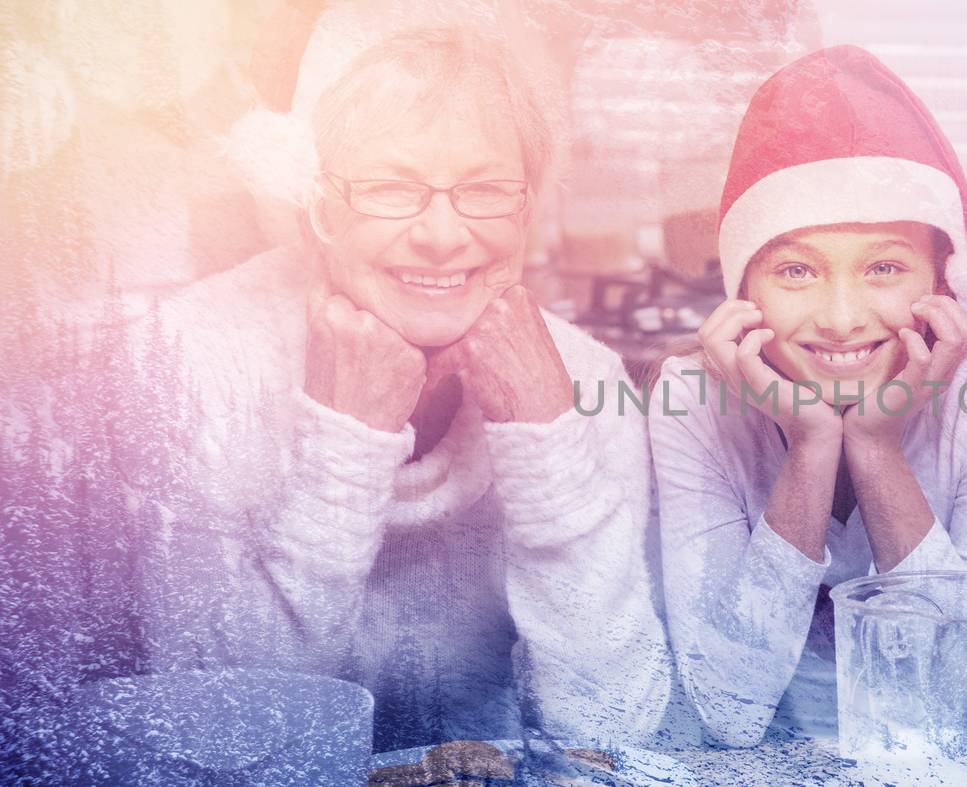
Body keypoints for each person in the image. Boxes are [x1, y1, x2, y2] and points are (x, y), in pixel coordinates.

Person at [133, 27, 670, 750]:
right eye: (390, 188)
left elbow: (616, 727)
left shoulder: (586, 381)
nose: (444, 237)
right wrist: (342, 444)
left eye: (485, 190)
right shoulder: (192, 360)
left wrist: (549, 446)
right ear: (316, 204)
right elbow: (213, 739)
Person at [648, 45, 967, 747]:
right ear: (744, 291)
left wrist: (874, 446)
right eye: (796, 270)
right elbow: (725, 710)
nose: (838, 317)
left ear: (942, 282)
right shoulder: (691, 396)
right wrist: (810, 448)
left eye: (884, 266)